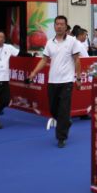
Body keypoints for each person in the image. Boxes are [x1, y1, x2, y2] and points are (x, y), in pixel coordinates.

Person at [28, 16, 82, 148]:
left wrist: (78, 78)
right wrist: (34, 72)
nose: (59, 26)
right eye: (57, 24)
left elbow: (77, 60)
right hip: (52, 81)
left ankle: (61, 137)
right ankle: (66, 122)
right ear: (54, 26)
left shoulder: (72, 41)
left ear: (66, 26)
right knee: (53, 109)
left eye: (62, 24)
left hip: (67, 81)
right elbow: (44, 60)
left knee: (63, 110)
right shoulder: (49, 42)